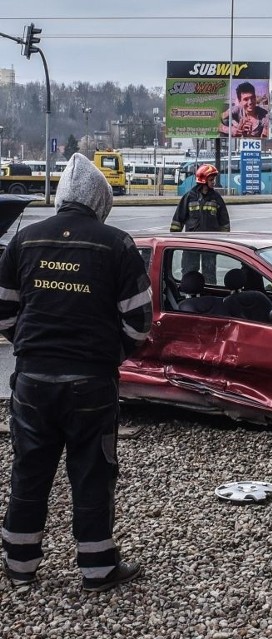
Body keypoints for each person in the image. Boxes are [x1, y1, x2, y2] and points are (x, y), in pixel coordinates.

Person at [0, 153, 153, 592]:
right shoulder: (117, 244)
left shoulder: (25, 240)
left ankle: (20, 565)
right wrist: (110, 353)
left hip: (32, 380)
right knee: (92, 471)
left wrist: (32, 348)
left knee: (29, 468)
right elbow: (139, 321)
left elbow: (4, 312)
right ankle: (97, 568)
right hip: (91, 382)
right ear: (100, 200)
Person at [170, 163, 231, 280]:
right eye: (211, 179)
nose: (214, 182)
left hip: (210, 243)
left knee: (209, 274)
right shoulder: (189, 197)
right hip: (192, 243)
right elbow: (178, 220)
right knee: (189, 272)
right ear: (203, 180)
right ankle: (189, 295)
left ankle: (208, 296)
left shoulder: (216, 198)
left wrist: (223, 241)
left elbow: (224, 223)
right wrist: (174, 240)